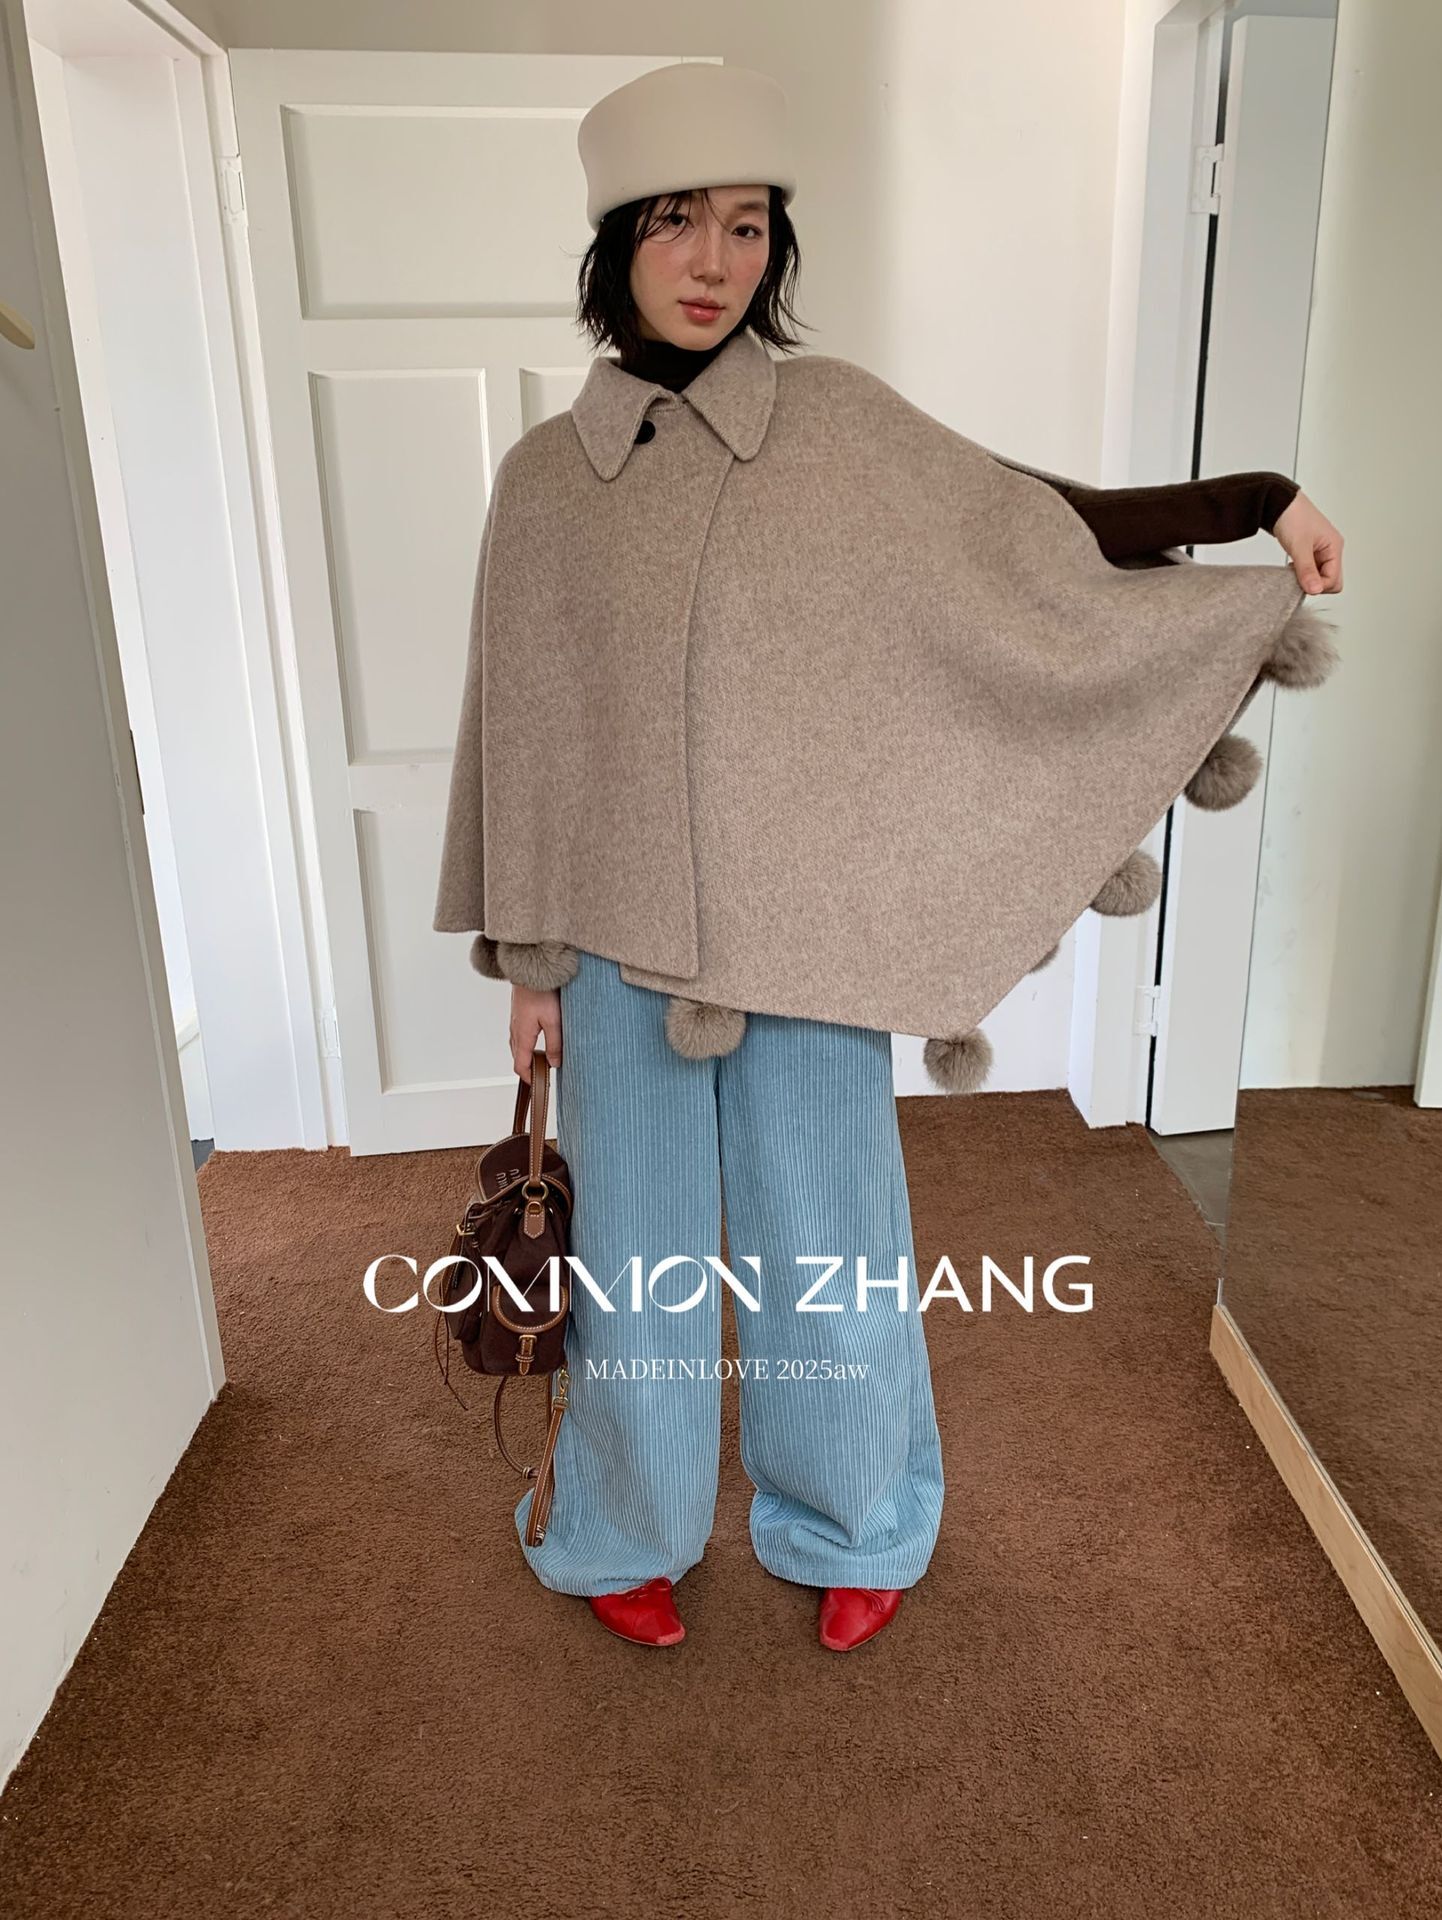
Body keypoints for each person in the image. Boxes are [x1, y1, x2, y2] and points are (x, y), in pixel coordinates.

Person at [434, 63, 1343, 1654]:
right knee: (636, 1260)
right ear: (614, 241)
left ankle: (853, 1518)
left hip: (811, 928)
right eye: (674, 223)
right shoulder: (544, 484)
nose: (712, 261)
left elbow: (1036, 525)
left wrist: (1255, 501)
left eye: (744, 226)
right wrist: (524, 968)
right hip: (614, 946)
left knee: (831, 1245)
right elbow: (521, 733)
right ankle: (621, 1528)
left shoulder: (836, 425)